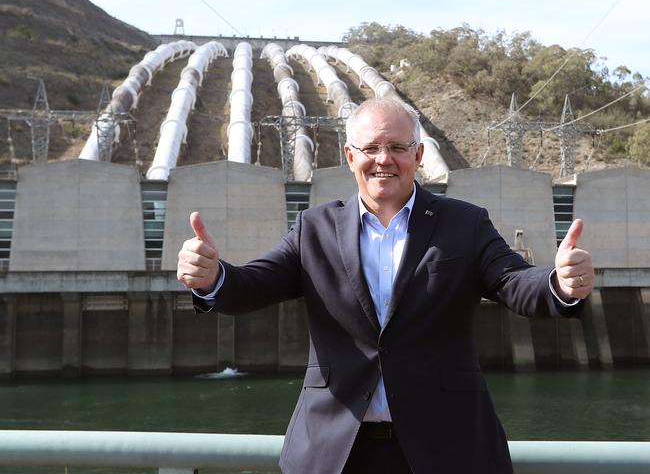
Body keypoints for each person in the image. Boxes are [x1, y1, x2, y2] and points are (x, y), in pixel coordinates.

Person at [177, 97, 594, 474]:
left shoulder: (464, 224)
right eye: (371, 148)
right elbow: (254, 284)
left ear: (418, 154)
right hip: (336, 454)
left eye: (396, 147)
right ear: (349, 156)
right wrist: (214, 277)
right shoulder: (314, 229)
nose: (383, 159)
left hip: (447, 450)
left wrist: (559, 282)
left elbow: (513, 281)